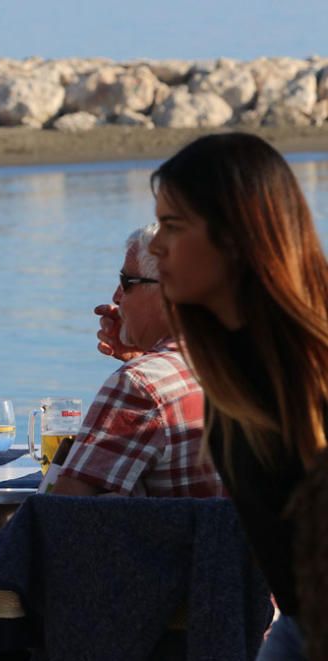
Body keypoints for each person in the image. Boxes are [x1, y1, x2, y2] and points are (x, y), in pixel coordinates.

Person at [147, 132, 328, 659]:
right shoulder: (228, 366)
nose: (156, 244)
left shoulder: (310, 367)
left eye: (173, 226)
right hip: (300, 628)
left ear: (237, 235)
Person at [53, 224, 224, 497]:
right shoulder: (240, 365)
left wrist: (141, 370)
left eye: (126, 282)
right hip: (237, 538)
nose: (116, 297)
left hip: (175, 541)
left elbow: (60, 515)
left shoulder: (140, 384)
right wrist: (148, 354)